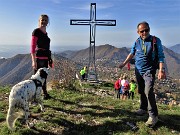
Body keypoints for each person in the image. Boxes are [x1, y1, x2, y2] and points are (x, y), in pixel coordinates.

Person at [119, 21, 165, 127]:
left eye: (146, 30)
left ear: (149, 29)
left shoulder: (155, 41)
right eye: (142, 31)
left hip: (149, 70)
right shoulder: (137, 41)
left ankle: (153, 116)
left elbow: (161, 56)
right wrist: (124, 63)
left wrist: (161, 70)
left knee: (148, 91)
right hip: (138, 70)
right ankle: (143, 108)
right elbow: (132, 53)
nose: (144, 32)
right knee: (141, 90)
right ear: (138, 32)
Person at [31, 14, 53, 100]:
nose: (44, 21)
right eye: (42, 20)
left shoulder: (46, 34)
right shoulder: (36, 31)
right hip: (38, 58)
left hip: (45, 59)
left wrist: (50, 60)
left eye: (45, 20)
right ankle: (34, 97)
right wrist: (33, 60)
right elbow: (32, 47)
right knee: (37, 78)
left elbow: (47, 48)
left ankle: (45, 94)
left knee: (44, 77)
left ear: (48, 22)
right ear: (39, 21)